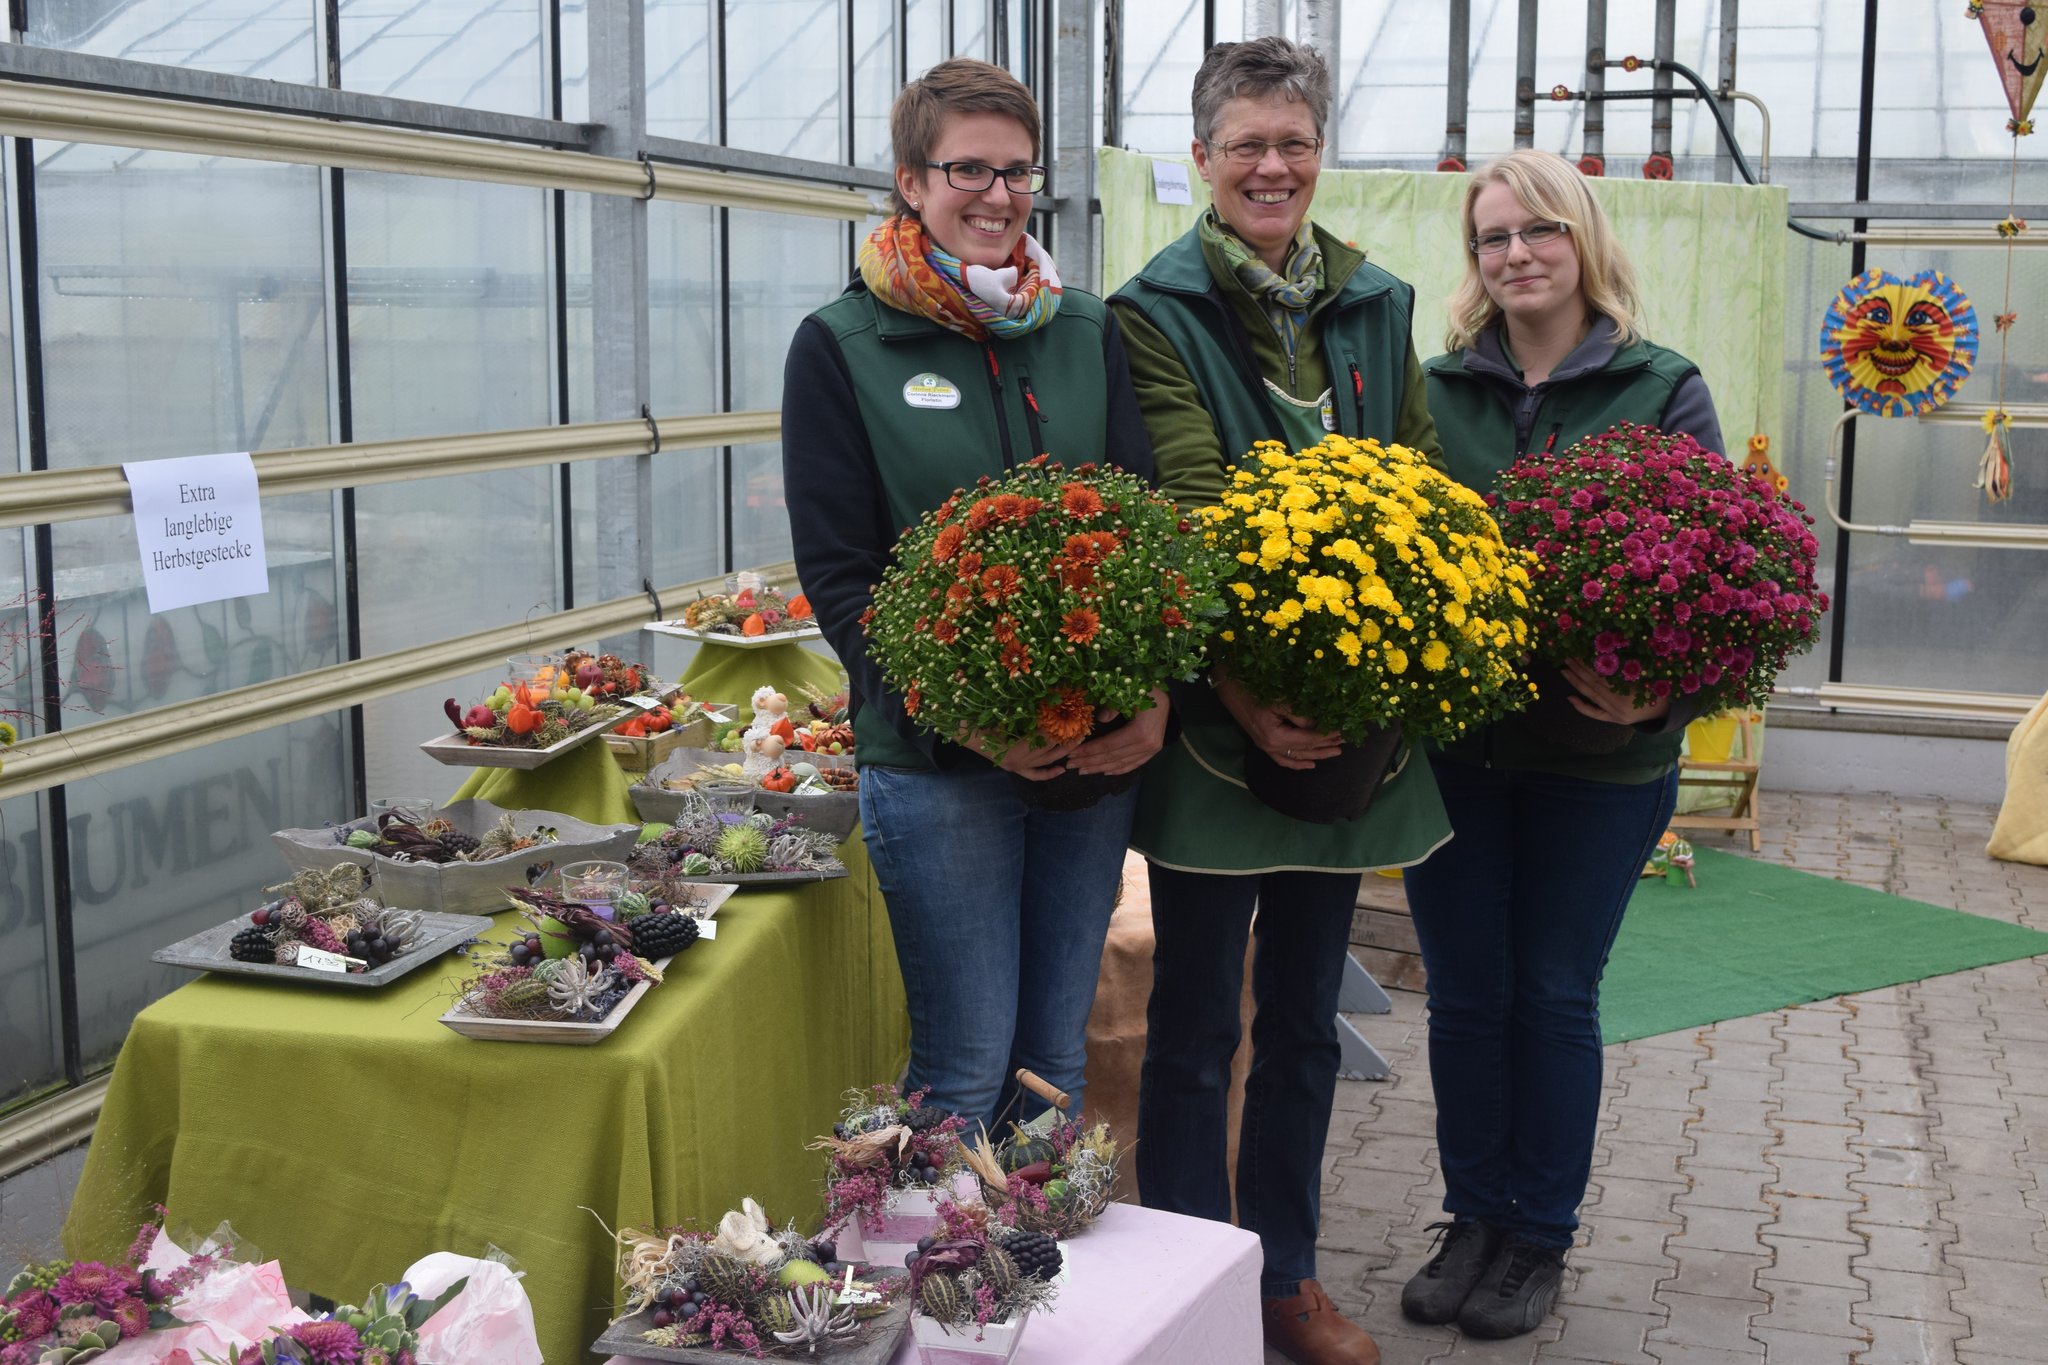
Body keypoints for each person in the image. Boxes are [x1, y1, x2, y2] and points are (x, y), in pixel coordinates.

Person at [1108, 37, 1449, 1365]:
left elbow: (1417, 482)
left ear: (1319, 155)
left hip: (1349, 724)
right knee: (1197, 1026)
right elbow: (1190, 510)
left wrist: (1374, 675)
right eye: (1244, 144)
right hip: (1216, 727)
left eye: (1292, 143)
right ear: (1203, 158)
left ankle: (1284, 1280)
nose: (1270, 166)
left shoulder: (1374, 303)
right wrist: (1249, 695)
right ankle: (1193, 1293)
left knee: (1305, 1022)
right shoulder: (1152, 312)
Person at [782, 58, 1165, 1134]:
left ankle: (1040, 1241)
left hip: (1088, 754)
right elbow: (840, 574)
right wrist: (962, 721)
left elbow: (1144, 529)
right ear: (911, 181)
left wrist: (1152, 697)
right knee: (963, 1068)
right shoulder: (845, 345)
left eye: (1017, 172)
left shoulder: (1082, 329)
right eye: (968, 170)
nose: (998, 196)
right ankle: (950, 1246)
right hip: (938, 766)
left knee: (1054, 1060)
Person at [1398, 147, 1726, 1340]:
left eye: (1537, 229)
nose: (1515, 253)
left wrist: (1657, 703)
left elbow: (1723, 580)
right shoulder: (1434, 392)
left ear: (1581, 240)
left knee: (1548, 993)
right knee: (1463, 997)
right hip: (1456, 757)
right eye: (1491, 237)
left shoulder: (1659, 386)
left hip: (1599, 765)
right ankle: (1471, 1219)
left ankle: (1535, 1235)